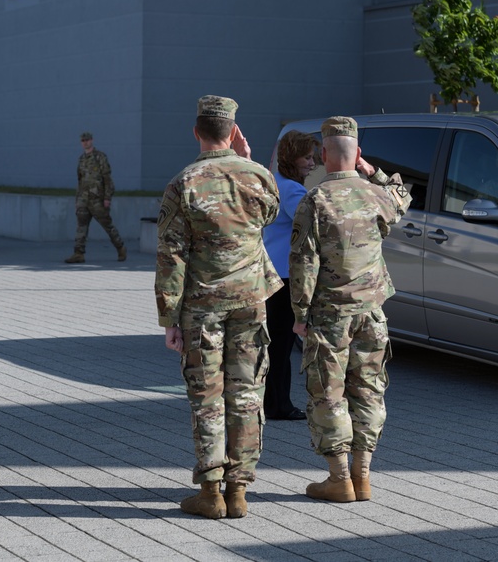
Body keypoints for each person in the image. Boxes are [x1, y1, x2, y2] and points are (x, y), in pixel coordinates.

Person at [155, 95, 283, 519]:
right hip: (250, 301)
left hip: (202, 306)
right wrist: (246, 161)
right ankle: (239, 490)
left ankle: (211, 492)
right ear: (233, 132)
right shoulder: (259, 177)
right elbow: (269, 215)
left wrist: (169, 317)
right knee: (247, 393)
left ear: (196, 132)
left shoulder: (184, 182)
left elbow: (171, 255)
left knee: (207, 396)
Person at [288, 116, 411, 504]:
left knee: (329, 394)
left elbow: (303, 263)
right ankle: (364, 475)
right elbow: (403, 196)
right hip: (372, 315)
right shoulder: (377, 196)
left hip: (329, 315)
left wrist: (299, 314)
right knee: (369, 390)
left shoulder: (315, 200)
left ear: (323, 155)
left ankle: (339, 478)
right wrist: (372, 172)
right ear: (357, 154)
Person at [261, 130, 316, 421]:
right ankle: (278, 405)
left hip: (272, 272)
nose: (313, 163)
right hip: (285, 275)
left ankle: (274, 402)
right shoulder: (293, 191)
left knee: (276, 343)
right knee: (281, 346)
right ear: (292, 157)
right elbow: (314, 225)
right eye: (307, 157)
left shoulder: (274, 181)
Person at [65, 131, 126, 263]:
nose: (85, 142)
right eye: (83, 141)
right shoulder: (81, 159)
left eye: (87, 140)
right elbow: (80, 180)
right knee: (81, 226)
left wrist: (107, 198)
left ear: (92, 140)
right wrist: (77, 199)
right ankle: (78, 253)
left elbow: (107, 179)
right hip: (83, 198)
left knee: (107, 225)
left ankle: (120, 248)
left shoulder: (100, 157)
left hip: (97, 199)